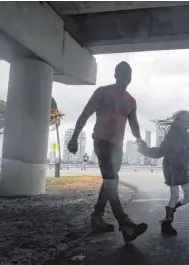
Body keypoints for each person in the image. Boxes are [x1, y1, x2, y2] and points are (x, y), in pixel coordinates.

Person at [67, 61, 147, 244]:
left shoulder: (131, 101)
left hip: (117, 147)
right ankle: (125, 223)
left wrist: (140, 140)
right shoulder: (102, 92)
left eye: (129, 73)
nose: (126, 76)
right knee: (112, 180)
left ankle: (97, 217)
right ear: (116, 74)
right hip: (102, 142)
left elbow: (134, 125)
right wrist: (74, 137)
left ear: (131, 77)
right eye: (122, 72)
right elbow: (85, 113)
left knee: (109, 182)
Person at [137, 110, 189, 236]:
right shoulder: (171, 137)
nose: (188, 124)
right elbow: (160, 152)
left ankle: (171, 209)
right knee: (174, 195)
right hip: (171, 169)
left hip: (183, 170)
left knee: (188, 197)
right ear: (179, 122)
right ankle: (167, 223)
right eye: (186, 121)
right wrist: (144, 150)